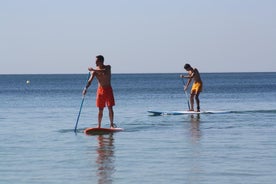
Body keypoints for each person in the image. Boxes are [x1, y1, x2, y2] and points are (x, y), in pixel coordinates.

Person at [82, 55, 115, 128]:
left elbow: (104, 71)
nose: (95, 62)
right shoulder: (94, 71)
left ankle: (111, 125)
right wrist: (85, 88)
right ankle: (99, 125)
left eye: (96, 61)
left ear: (101, 61)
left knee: (110, 107)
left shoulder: (108, 67)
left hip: (108, 89)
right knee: (100, 109)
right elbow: (90, 81)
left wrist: (93, 69)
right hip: (100, 90)